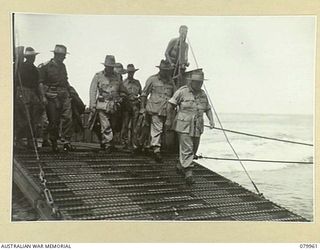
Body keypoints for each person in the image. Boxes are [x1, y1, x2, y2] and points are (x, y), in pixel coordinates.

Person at [166, 69, 215, 185]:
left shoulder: (203, 94)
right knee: (187, 148)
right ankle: (188, 173)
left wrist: (211, 120)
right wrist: (169, 119)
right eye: (197, 82)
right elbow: (170, 105)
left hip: (197, 126)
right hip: (184, 125)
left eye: (201, 82)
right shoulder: (182, 92)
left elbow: (207, 108)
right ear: (191, 82)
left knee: (194, 149)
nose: (199, 84)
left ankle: (180, 165)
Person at [38, 44, 74, 152]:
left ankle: (67, 142)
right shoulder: (45, 66)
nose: (64, 57)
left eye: (64, 55)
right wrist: (43, 96)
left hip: (64, 93)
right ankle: (54, 142)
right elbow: (40, 83)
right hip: (52, 95)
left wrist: (70, 92)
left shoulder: (63, 66)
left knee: (68, 117)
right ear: (56, 55)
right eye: (62, 55)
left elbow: (65, 80)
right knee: (53, 120)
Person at [89, 55, 128, 152]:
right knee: (105, 125)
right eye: (108, 66)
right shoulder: (98, 76)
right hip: (102, 104)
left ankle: (108, 142)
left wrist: (121, 97)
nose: (109, 68)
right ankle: (108, 144)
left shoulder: (118, 76)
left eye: (111, 67)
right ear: (105, 66)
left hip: (114, 104)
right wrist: (92, 105)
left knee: (113, 125)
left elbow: (123, 90)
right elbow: (93, 90)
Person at [140, 60, 175, 162]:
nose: (166, 72)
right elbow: (144, 94)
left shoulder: (171, 81)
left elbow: (175, 95)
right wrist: (142, 108)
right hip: (154, 109)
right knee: (157, 129)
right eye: (165, 70)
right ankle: (156, 150)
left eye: (168, 70)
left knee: (163, 130)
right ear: (160, 70)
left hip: (167, 110)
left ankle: (149, 146)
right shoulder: (152, 79)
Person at [15, 47, 45, 148]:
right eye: (31, 57)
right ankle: (19, 139)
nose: (32, 58)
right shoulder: (19, 67)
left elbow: (38, 83)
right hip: (22, 90)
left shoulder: (35, 69)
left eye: (33, 57)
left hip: (32, 92)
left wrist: (41, 97)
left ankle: (30, 139)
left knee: (34, 115)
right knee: (23, 116)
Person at [121, 64, 142, 150]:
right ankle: (124, 142)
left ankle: (134, 143)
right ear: (127, 73)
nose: (131, 74)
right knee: (125, 124)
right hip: (126, 105)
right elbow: (121, 93)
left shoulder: (137, 82)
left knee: (135, 125)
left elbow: (141, 93)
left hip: (135, 105)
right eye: (129, 72)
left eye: (132, 72)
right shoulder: (123, 83)